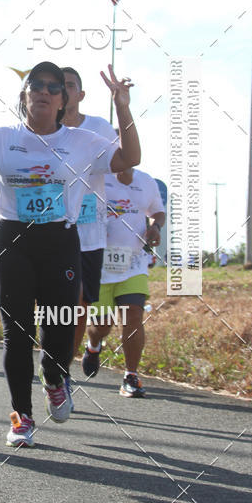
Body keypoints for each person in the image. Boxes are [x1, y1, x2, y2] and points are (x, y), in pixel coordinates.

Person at [0, 62, 140, 447]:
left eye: (54, 87)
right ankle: (21, 417)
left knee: (61, 325)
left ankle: (53, 375)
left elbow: (129, 159)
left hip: (60, 239)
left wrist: (124, 106)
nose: (45, 91)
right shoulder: (1, 137)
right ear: (24, 95)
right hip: (13, 238)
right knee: (17, 332)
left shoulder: (82, 141)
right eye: (37, 85)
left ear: (64, 100)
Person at [61, 66, 118, 408]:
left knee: (80, 305)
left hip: (89, 234)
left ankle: (60, 371)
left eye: (70, 85)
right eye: (58, 85)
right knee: (54, 307)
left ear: (81, 94)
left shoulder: (98, 127)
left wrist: (122, 107)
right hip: (47, 231)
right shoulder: (39, 130)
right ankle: (54, 361)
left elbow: (123, 164)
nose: (63, 90)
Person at [84, 168, 164, 397]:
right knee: (102, 326)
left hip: (134, 262)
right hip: (98, 264)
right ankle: (93, 344)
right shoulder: (94, 177)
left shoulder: (146, 181)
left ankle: (131, 376)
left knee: (134, 314)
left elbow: (158, 212)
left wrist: (156, 227)